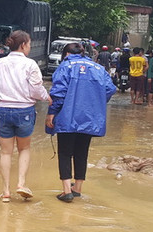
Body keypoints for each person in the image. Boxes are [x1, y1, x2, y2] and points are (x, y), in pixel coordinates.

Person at [46, 42, 116, 203]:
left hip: (67, 116)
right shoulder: (98, 68)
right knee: (81, 152)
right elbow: (110, 88)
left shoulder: (65, 66)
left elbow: (58, 93)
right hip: (89, 118)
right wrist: (96, 102)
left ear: (66, 55)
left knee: (64, 153)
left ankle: (66, 191)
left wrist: (51, 113)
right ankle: (77, 188)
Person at [0, 30, 50, 202]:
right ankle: (21, 184)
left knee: (6, 153)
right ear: (23, 45)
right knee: (24, 149)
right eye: (29, 44)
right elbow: (36, 89)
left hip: (3, 110)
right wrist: (47, 97)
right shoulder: (30, 65)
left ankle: (6, 191)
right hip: (24, 111)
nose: (29, 47)